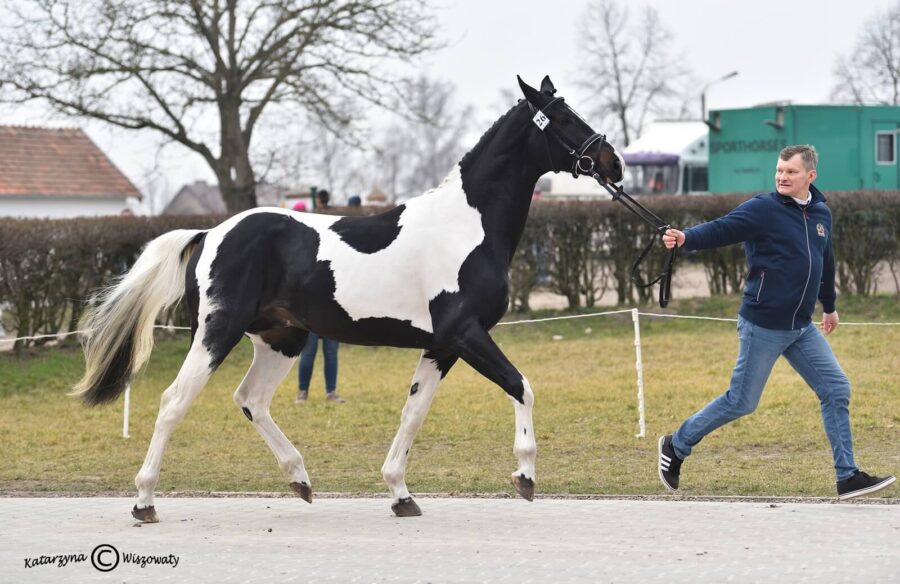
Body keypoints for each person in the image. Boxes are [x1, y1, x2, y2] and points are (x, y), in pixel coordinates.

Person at [657, 144, 895, 500]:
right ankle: (676, 444)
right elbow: (723, 228)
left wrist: (829, 306)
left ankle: (847, 477)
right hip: (763, 323)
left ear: (810, 177)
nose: (783, 177)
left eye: (791, 172)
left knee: (836, 389)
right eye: (780, 171)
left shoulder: (820, 213)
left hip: (801, 325)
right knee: (742, 401)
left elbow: (824, 260)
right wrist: (685, 238)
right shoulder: (763, 208)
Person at [296, 333, 345, 403]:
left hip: (332, 323)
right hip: (311, 322)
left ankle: (331, 392)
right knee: (308, 353)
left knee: (331, 353)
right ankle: (302, 392)